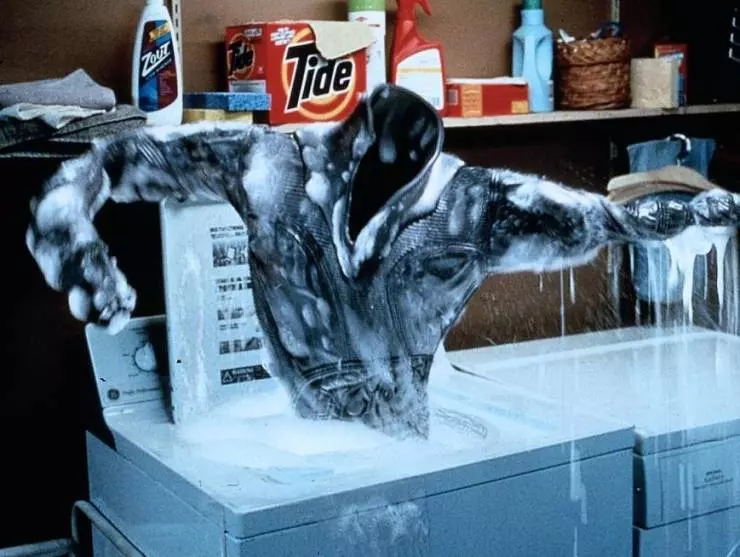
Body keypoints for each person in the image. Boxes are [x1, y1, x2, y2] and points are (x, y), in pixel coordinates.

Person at [25, 84, 740, 438]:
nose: (364, 242)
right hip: (284, 444)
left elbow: (612, 218)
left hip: (404, 452)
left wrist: (710, 209)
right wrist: (65, 224)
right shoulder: (267, 169)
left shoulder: (472, 207)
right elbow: (111, 159)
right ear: (337, 151)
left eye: (396, 218)